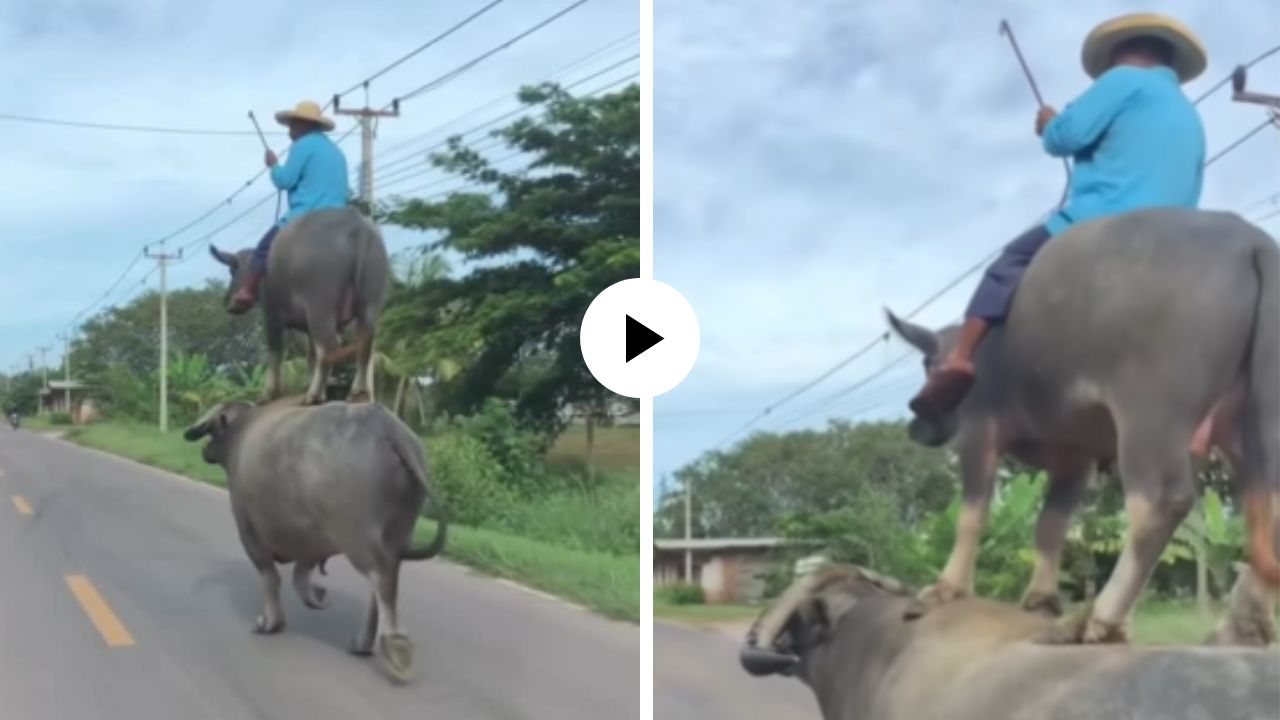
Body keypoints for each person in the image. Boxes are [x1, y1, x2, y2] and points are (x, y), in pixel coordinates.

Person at [909, 13, 1208, 423]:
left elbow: (1065, 138)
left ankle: (959, 357)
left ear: (1122, 53)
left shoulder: (1122, 81)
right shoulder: (1187, 113)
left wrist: (1050, 123)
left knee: (1009, 263)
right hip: (1175, 241)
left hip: (1105, 221)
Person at [228, 100, 351, 314]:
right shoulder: (336, 151)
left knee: (262, 249)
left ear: (304, 125)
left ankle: (247, 292)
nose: (290, 130)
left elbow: (284, 180)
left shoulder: (302, 146)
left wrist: (274, 165)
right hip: (339, 219)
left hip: (306, 216)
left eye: (293, 125)